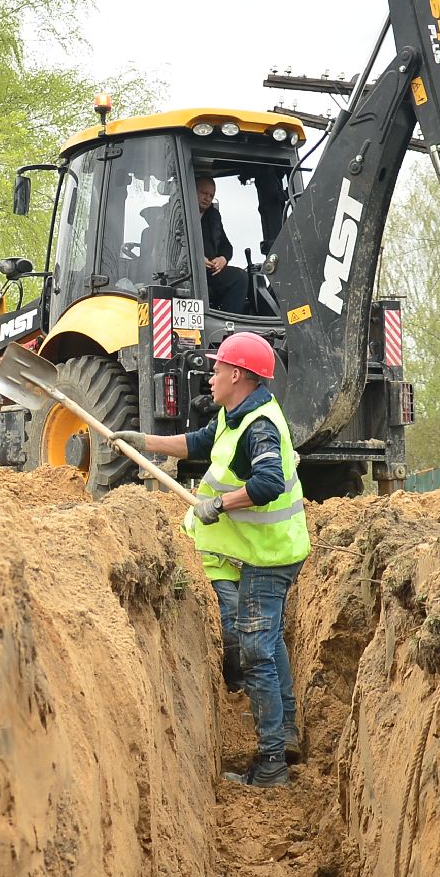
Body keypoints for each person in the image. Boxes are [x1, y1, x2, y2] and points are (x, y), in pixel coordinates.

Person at [112, 332, 309, 786]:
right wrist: (145, 441)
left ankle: (272, 765)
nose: (211, 375)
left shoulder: (259, 424)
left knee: (257, 650)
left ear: (237, 375)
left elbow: (269, 484)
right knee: (270, 641)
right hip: (269, 549)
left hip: (269, 554)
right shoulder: (233, 414)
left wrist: (217, 506)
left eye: (217, 368)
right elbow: (199, 443)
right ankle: (289, 732)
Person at [196, 176, 251, 314]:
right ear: (193, 191)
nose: (207, 198)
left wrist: (222, 259)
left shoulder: (213, 216)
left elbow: (227, 246)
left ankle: (230, 323)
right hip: (187, 275)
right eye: (203, 193)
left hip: (211, 273)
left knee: (240, 277)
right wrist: (195, 259)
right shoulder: (177, 214)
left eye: (211, 195)